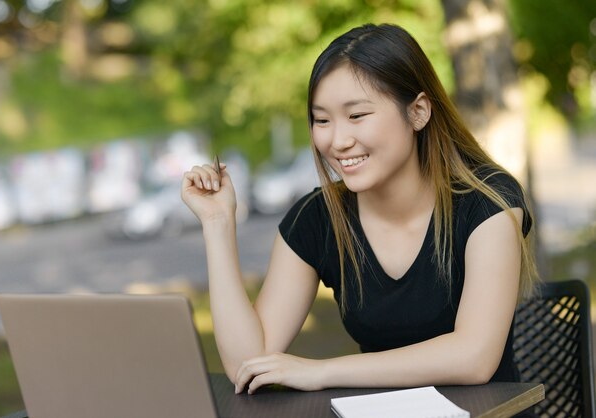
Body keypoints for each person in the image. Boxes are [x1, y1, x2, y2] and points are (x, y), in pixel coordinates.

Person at [181, 23, 539, 395]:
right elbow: (247, 365)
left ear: (417, 112)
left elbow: (474, 357)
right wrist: (218, 223)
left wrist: (320, 372)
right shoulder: (318, 218)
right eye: (322, 120)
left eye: (356, 116)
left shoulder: (487, 199)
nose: (337, 141)